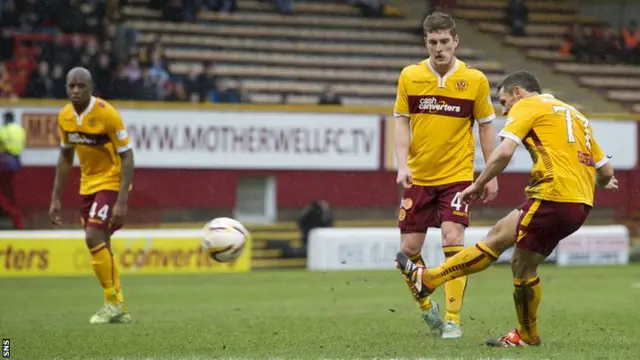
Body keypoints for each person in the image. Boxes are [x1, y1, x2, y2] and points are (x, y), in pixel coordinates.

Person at [396, 70, 619, 347]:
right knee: (499, 236)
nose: (503, 109)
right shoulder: (575, 115)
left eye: (504, 101)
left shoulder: (528, 105)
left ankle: (525, 334)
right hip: (578, 202)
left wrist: (479, 184)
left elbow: (503, 152)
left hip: (552, 194)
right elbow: (606, 170)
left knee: (521, 268)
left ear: (518, 92)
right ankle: (430, 279)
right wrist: (602, 182)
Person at [393, 11, 498, 339]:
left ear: (456, 42)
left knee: (453, 240)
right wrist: (402, 164)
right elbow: (400, 121)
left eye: (444, 42)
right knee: (408, 249)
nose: (439, 48)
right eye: (433, 42)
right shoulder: (410, 76)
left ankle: (453, 318)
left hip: (458, 176)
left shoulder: (475, 80)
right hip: (420, 176)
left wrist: (490, 172)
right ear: (426, 42)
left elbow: (485, 126)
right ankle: (428, 309)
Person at [49, 67, 135, 324]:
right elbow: (65, 156)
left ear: (91, 88)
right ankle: (119, 306)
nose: (76, 90)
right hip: (87, 185)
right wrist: (55, 198)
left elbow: (128, 156)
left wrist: (122, 199)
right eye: (71, 86)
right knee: (102, 243)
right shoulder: (64, 117)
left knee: (93, 236)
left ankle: (112, 303)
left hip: (111, 182)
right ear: (66, 88)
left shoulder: (108, 115)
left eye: (81, 86)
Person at [0, 110, 26, 229]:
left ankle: (10, 210)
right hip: (16, 161)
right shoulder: (20, 130)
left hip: (5, 161)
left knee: (5, 191)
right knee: (11, 191)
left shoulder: (4, 130)